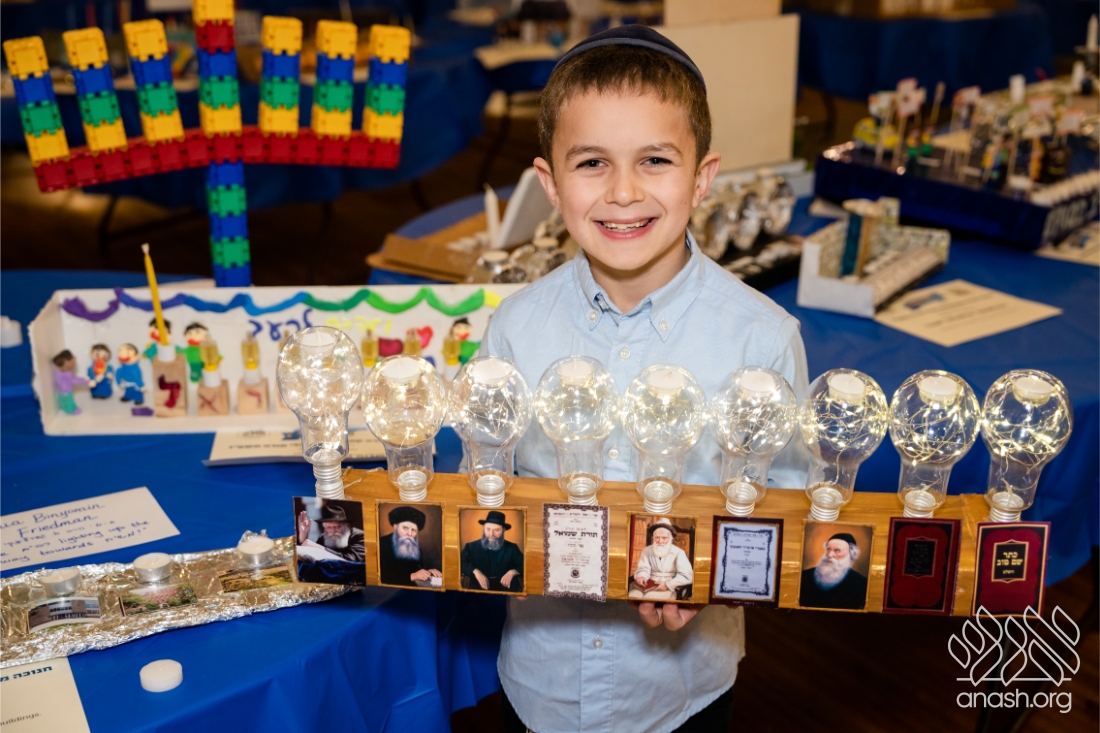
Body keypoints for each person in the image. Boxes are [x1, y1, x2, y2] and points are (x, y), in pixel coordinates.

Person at [476, 25, 809, 732]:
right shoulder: (513, 329)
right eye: (592, 162)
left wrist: (716, 579)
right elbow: (487, 488)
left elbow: (785, 505)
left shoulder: (762, 338)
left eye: (655, 159)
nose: (623, 192)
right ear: (549, 184)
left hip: (682, 695)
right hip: (541, 685)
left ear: (702, 177)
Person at [798, 533, 868, 611]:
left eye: (837, 551)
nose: (830, 555)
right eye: (828, 549)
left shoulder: (861, 584)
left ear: (851, 554)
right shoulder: (803, 576)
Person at [629, 518, 693, 601]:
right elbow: (643, 567)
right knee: (632, 594)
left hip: (671, 586)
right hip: (649, 583)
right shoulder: (647, 550)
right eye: (657, 537)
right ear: (653, 538)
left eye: (664, 538)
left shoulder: (679, 553)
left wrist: (667, 585)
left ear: (670, 539)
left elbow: (686, 575)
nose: (660, 541)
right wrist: (642, 576)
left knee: (649, 599)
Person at [460, 510, 524, 592]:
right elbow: (460, 563)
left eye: (496, 530)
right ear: (484, 529)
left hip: (506, 588)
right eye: (488, 529)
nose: (491, 534)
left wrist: (513, 572)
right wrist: (476, 571)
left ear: (503, 530)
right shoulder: (471, 546)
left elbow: (525, 566)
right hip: (479, 588)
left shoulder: (512, 548)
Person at [378, 505, 442, 587]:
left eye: (413, 530)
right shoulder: (381, 544)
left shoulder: (415, 548)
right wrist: (412, 576)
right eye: (405, 528)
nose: (409, 533)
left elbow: (416, 570)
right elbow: (381, 577)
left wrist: (427, 572)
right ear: (395, 527)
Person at [295, 503, 365, 563]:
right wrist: (303, 535)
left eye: (337, 527)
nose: (333, 531)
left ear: (347, 526)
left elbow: (352, 559)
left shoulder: (360, 536)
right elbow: (310, 556)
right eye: (329, 527)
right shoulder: (324, 537)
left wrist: (321, 549)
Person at [52, 350, 88, 414]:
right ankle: (71, 410)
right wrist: (86, 381)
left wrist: (85, 379)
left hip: (63, 390)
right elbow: (74, 380)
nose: (74, 364)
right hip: (67, 390)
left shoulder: (60, 371)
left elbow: (73, 378)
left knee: (64, 400)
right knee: (69, 401)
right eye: (73, 362)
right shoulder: (66, 373)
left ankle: (65, 407)